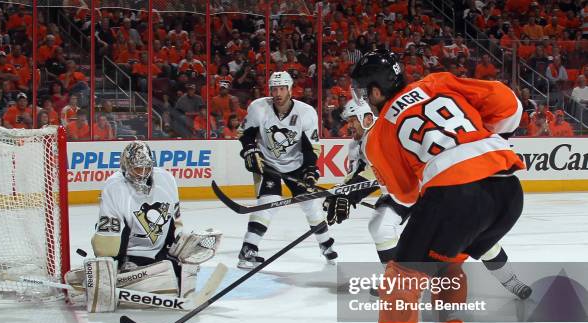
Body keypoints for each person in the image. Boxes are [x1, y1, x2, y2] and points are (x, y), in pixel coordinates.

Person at [349, 50, 525, 323]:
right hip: (507, 190)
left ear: (378, 91)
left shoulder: (380, 132)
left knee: (401, 279)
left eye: (366, 92)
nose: (366, 99)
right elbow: (509, 107)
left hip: (456, 196)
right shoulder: (437, 82)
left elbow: (406, 194)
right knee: (449, 267)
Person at [327, 99, 532, 296]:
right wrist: (342, 193)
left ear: (367, 118)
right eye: (348, 122)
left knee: (476, 238)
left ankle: (510, 279)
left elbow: (377, 172)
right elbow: (361, 175)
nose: (349, 126)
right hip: (402, 192)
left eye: (352, 120)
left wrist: (351, 192)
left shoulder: (386, 133)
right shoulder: (356, 145)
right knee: (380, 225)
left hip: (428, 187)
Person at [88, 141, 221, 303]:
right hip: (129, 256)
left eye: (147, 168)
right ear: (125, 166)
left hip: (159, 252)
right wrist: (112, 266)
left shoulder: (166, 179)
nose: (143, 173)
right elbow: (107, 242)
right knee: (107, 247)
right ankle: (123, 270)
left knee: (181, 273)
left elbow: (175, 221)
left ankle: (162, 270)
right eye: (137, 168)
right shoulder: (114, 186)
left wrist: (180, 247)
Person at [236, 71, 338, 269]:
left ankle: (325, 245)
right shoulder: (258, 108)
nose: (278, 93)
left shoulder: (306, 112)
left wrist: (310, 170)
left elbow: (310, 147)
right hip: (269, 164)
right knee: (268, 202)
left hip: (297, 165)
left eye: (282, 88)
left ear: (290, 90)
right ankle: (248, 249)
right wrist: (250, 150)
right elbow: (245, 133)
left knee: (311, 205)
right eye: (274, 89)